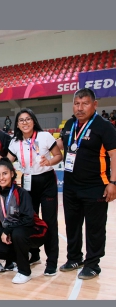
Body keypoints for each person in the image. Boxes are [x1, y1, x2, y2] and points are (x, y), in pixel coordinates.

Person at [55, 88, 116, 280]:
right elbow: (60, 145)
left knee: (94, 228)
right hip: (71, 187)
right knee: (72, 225)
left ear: (95, 105)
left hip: (96, 186)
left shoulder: (104, 127)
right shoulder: (70, 124)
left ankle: (93, 264)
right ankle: (74, 258)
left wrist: (113, 182)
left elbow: (114, 155)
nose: (80, 108)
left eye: (85, 103)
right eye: (77, 104)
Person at [5, 108, 63, 275]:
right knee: (29, 221)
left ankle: (51, 262)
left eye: (28, 119)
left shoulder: (44, 136)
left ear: (33, 120)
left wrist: (49, 161)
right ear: (17, 124)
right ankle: (35, 254)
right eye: (21, 120)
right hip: (28, 183)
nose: (25, 122)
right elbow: (7, 163)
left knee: (50, 223)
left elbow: (58, 155)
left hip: (46, 182)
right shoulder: (14, 142)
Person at [0, 160, 48, 284]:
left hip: (37, 231)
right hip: (15, 231)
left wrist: (8, 230)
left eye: (4, 173)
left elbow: (28, 219)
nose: (1, 177)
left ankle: (24, 272)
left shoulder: (21, 193)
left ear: (12, 173)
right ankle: (23, 257)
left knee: (18, 234)